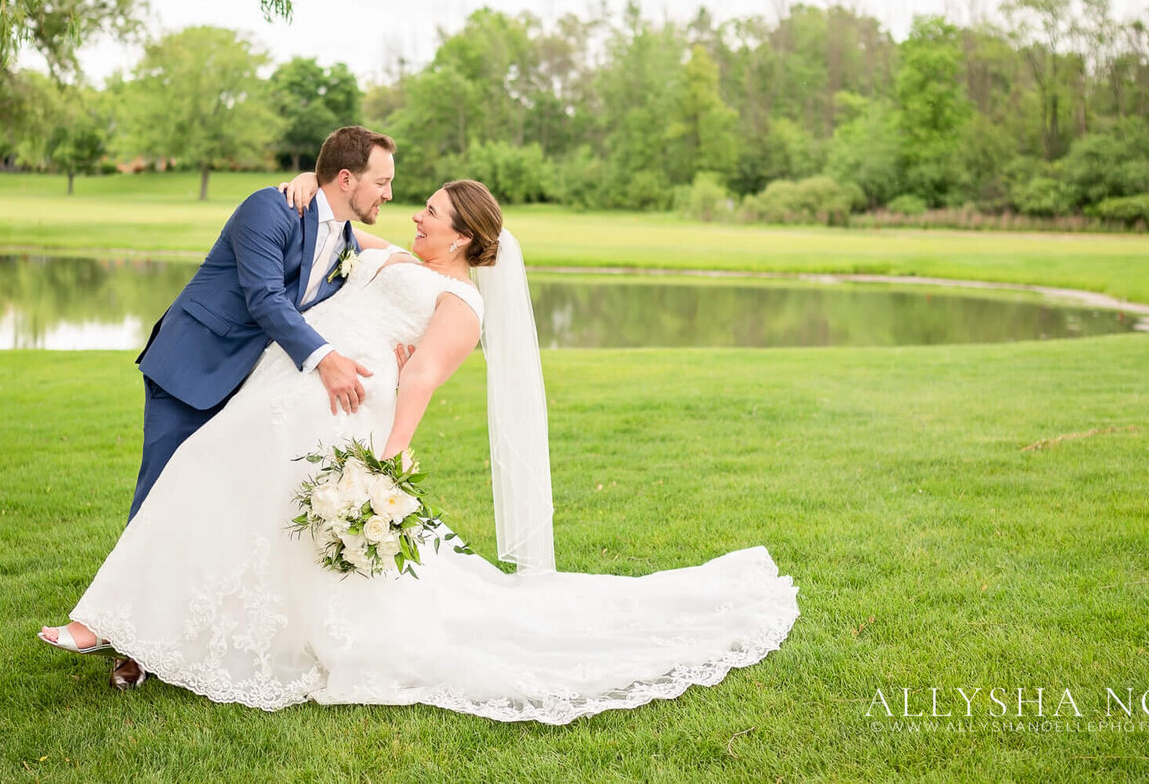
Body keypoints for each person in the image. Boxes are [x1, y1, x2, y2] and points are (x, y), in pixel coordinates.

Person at [40, 179, 799, 723]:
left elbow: (424, 378)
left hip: (341, 400)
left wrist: (388, 462)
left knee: (221, 480)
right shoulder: (395, 257)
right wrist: (306, 182)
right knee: (221, 487)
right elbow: (338, 226)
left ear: (462, 235)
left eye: (430, 212)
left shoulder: (461, 303)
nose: (415, 216)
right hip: (296, 374)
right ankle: (142, 625)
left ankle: (130, 625)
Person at [39, 126, 400, 691]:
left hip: (252, 389)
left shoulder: (348, 242)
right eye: (382, 182)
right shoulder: (269, 209)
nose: (389, 195)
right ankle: (129, 643)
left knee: (216, 510)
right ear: (347, 178)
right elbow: (264, 298)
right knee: (161, 496)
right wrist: (324, 357)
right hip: (193, 368)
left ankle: (183, 631)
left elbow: (393, 258)